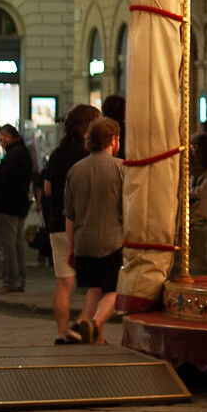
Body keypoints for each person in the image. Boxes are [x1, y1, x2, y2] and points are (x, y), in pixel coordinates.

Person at [64, 116, 126, 345]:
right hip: (112, 241)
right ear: (112, 139)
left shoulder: (75, 171)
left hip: (83, 242)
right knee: (114, 291)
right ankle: (94, 325)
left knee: (94, 289)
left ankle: (95, 340)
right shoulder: (121, 169)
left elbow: (69, 215)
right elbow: (128, 208)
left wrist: (71, 247)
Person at [39, 104, 98, 345]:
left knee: (63, 284)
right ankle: (81, 326)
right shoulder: (89, 154)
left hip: (57, 224)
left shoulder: (57, 153)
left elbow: (47, 189)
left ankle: (62, 333)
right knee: (97, 283)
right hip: (83, 225)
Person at [0, 123, 34, 294]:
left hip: (7, 205)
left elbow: (4, 178)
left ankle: (11, 282)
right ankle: (19, 281)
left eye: (3, 137)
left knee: (8, 247)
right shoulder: (22, 152)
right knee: (17, 245)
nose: (1, 141)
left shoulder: (14, 154)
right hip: (19, 204)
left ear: (10, 136)